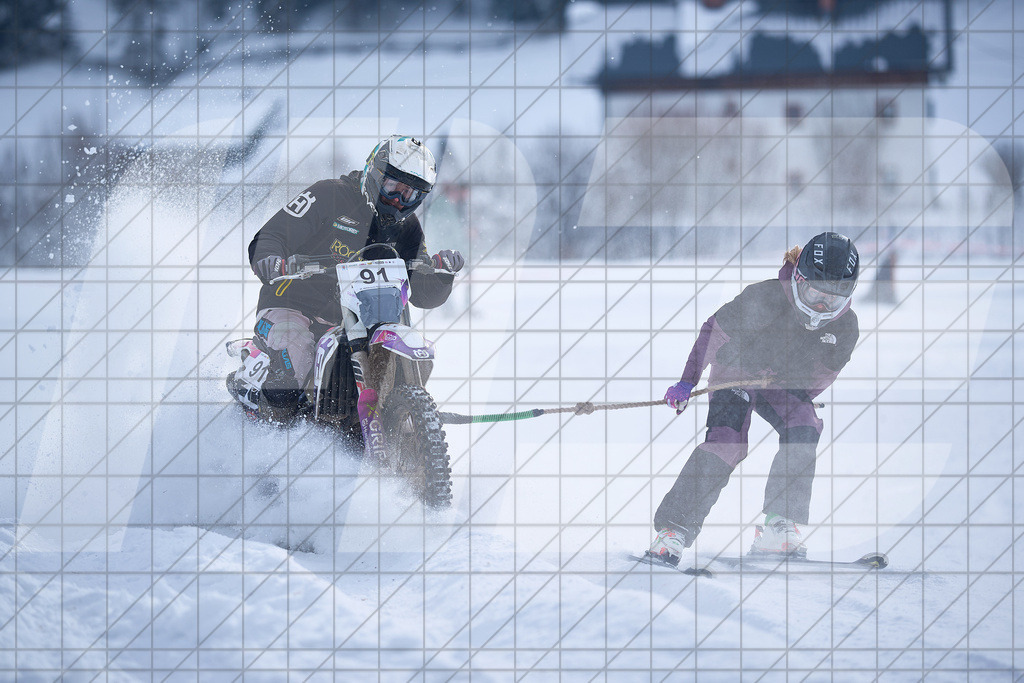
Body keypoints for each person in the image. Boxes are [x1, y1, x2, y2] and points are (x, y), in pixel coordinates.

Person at [649, 232, 860, 565]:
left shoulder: (845, 328)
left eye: (831, 299)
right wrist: (687, 381)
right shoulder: (763, 297)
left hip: (780, 383)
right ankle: (673, 530)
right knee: (727, 442)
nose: (821, 305)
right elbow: (712, 331)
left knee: (805, 424)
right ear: (799, 279)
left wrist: (796, 396)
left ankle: (779, 526)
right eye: (815, 293)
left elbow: (821, 377)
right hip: (736, 373)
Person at [237, 135, 464, 422]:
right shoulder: (329, 195)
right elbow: (272, 235)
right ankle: (267, 425)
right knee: (295, 357)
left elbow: (420, 292)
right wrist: (270, 259)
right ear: (374, 171)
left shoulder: (408, 229)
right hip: (293, 306)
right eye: (393, 186)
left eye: (410, 194)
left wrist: (442, 275)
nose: (398, 199)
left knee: (391, 367)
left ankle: (405, 430)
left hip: (357, 323)